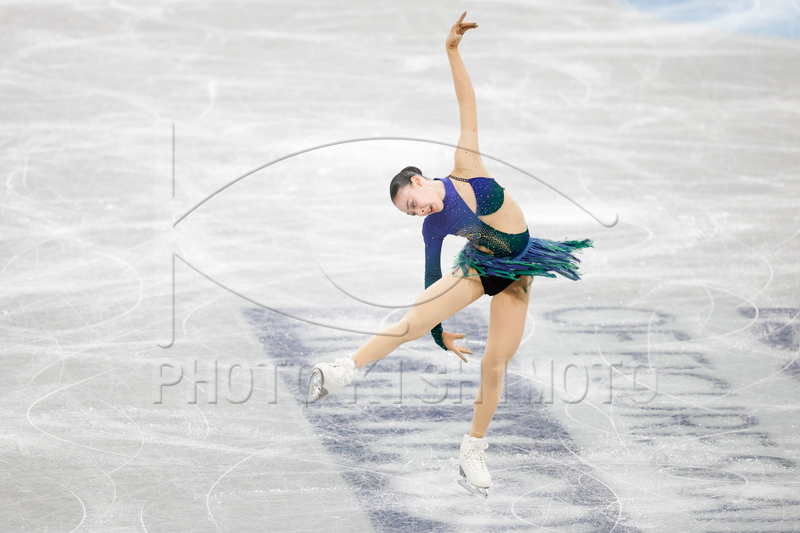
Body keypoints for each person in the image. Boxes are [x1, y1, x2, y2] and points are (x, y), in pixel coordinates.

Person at [306, 12, 592, 498]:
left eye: (413, 203)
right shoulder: (435, 226)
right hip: (479, 267)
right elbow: (430, 276)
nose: (419, 212)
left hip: (519, 270)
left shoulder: (465, 165)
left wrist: (452, 51)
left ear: (419, 180)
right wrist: (437, 331)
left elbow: (467, 103)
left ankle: (472, 450)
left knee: (495, 363)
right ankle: (344, 369)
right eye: (410, 213)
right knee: (414, 319)